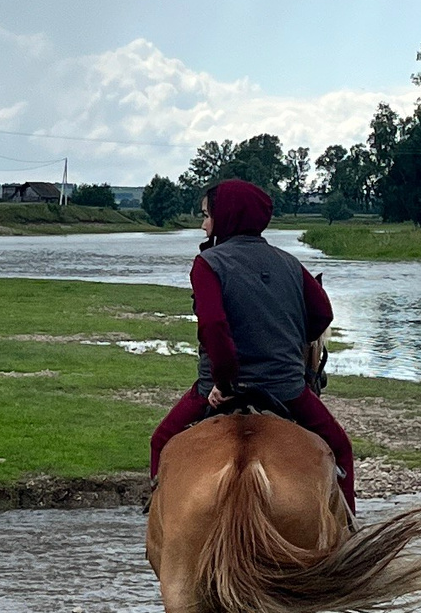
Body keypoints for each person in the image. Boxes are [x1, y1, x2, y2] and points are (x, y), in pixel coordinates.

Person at [147, 176, 357, 511]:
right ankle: (348, 529)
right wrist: (287, 340)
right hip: (286, 389)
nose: (203, 226)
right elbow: (323, 314)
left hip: (217, 389)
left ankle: (158, 523)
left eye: (206, 216)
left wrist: (223, 383)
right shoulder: (290, 263)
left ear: (226, 217)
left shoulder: (207, 264)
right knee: (341, 448)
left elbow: (214, 326)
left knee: (161, 441)